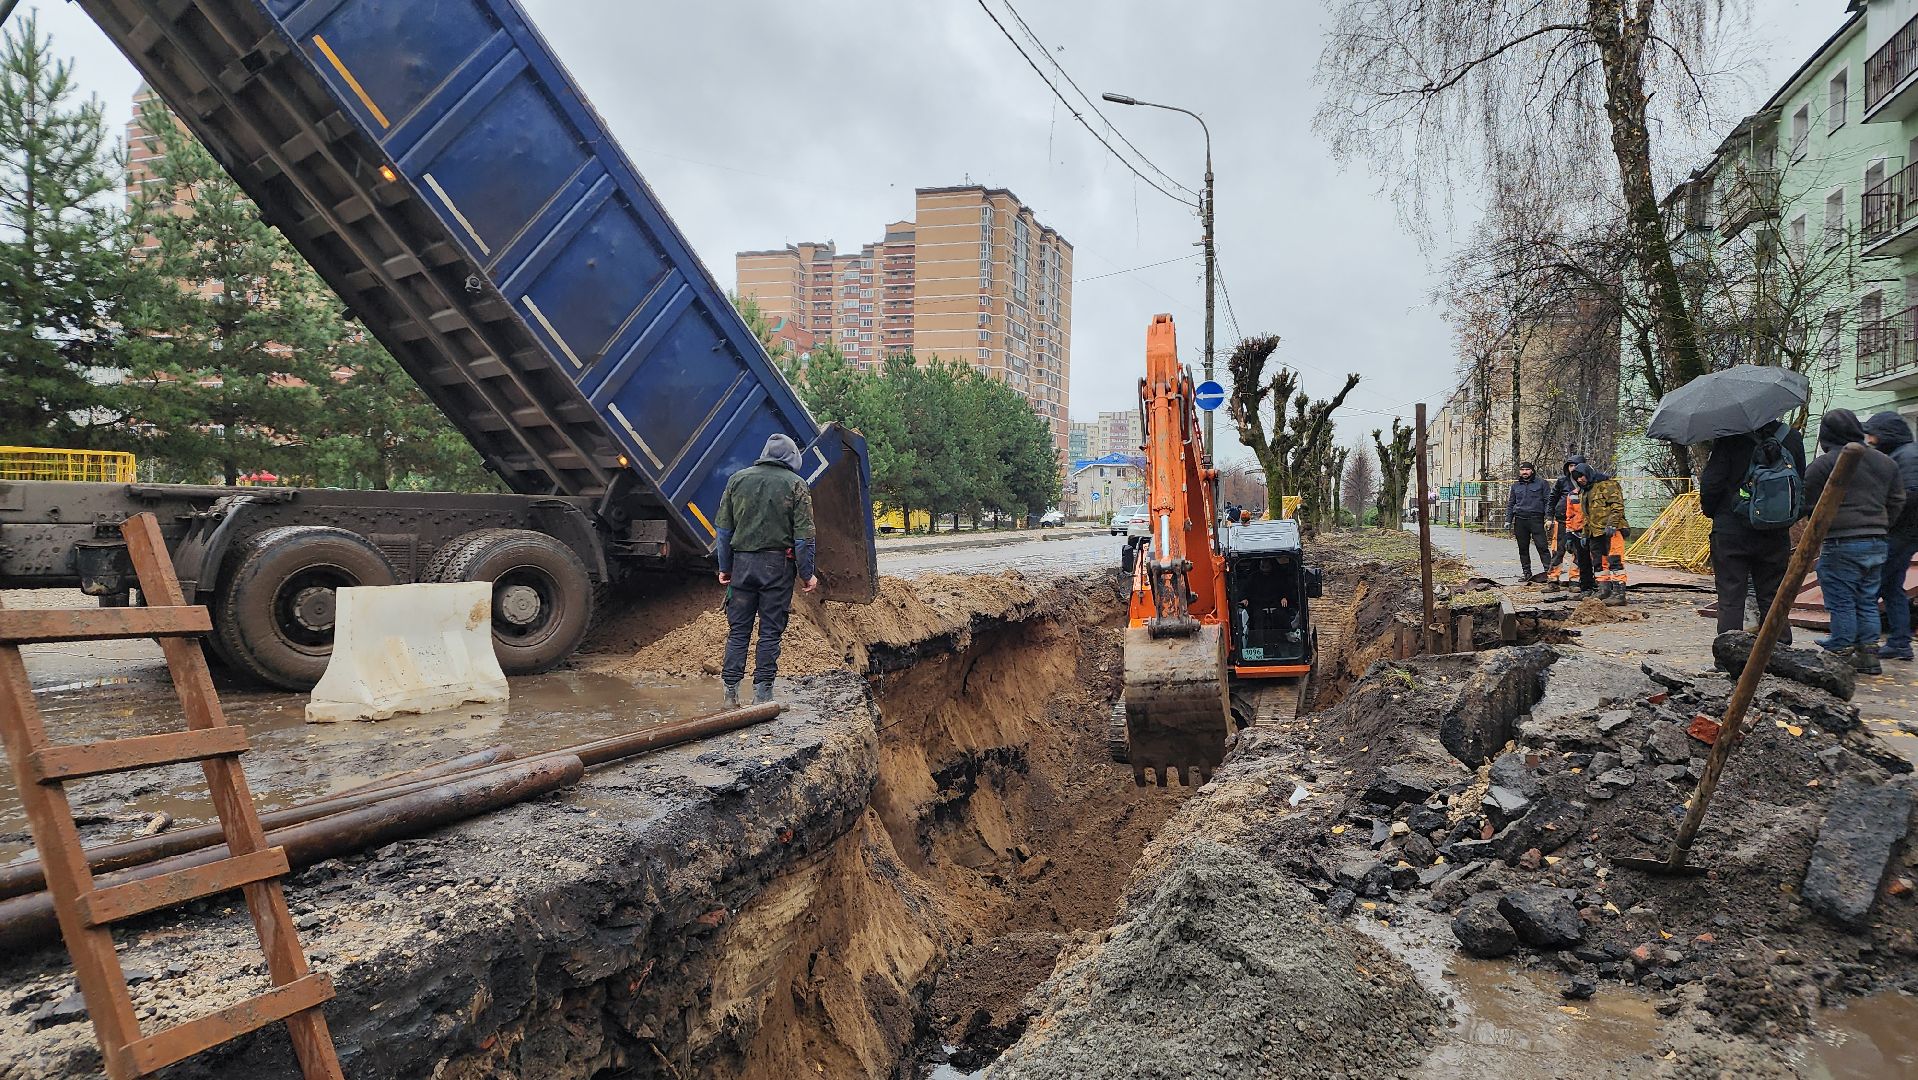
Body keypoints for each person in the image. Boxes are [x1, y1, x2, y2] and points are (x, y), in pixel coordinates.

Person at [715, 433, 818, 706]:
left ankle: (730, 695)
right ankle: (763, 697)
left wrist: (725, 567)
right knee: (770, 631)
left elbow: (724, 531)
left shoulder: (737, 480)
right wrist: (807, 573)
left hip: (741, 566)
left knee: (738, 631)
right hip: (777, 568)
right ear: (791, 457)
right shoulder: (796, 485)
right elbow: (803, 538)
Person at [1804, 409, 1905, 675]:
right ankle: (1869, 654)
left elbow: (1809, 504)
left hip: (1841, 542)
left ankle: (1841, 649)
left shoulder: (1825, 464)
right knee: (1867, 598)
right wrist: (1880, 525)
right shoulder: (1886, 463)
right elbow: (1897, 501)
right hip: (1877, 541)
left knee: (1842, 600)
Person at [1697, 418, 1807, 645]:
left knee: (1731, 596)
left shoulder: (1730, 438)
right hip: (1774, 532)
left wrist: (1714, 513)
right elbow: (1799, 486)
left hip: (1731, 530)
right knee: (1773, 595)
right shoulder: (1792, 438)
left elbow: (1711, 483)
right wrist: (1784, 520)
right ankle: (1780, 652)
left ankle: (1729, 654)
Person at [1865, 412, 1918, 660]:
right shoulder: (1903, 454)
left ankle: (1862, 642)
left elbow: (1909, 495)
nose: (1870, 439)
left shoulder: (1906, 456)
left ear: (1886, 434)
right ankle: (1900, 642)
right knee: (1891, 587)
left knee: (1871, 586)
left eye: (1873, 433)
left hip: (1900, 533)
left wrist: (1881, 516)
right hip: (1904, 532)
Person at [1571, 462, 1629, 604]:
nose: (1580, 480)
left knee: (1615, 561)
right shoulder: (1585, 492)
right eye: (1577, 478)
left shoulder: (1607, 485)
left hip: (1611, 531)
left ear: (1588, 473)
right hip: (1594, 532)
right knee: (1599, 563)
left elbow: (1617, 506)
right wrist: (1585, 534)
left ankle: (1619, 593)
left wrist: (1612, 524)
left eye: (1581, 476)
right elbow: (1586, 515)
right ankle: (1604, 590)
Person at [1544, 453, 1587, 592]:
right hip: (1561, 521)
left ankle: (1574, 581)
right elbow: (1552, 499)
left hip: (1580, 523)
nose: (1573, 469)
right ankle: (1553, 580)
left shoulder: (1587, 482)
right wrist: (1549, 517)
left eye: (1575, 466)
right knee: (1557, 551)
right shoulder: (1562, 481)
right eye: (1570, 466)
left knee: (1578, 552)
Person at [1506, 461, 1553, 584]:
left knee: (1542, 547)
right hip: (1520, 520)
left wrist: (1549, 517)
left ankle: (1550, 574)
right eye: (1522, 470)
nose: (1525, 472)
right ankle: (1527, 573)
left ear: (1532, 471)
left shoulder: (1542, 483)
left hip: (1536, 519)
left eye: (1527, 469)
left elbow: (1548, 501)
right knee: (1523, 548)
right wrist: (1508, 520)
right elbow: (1511, 504)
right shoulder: (1515, 486)